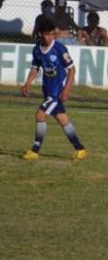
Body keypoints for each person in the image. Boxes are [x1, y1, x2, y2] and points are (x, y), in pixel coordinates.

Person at [21, 17, 88, 161]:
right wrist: (27, 83)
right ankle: (80, 149)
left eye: (52, 34)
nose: (50, 37)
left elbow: (72, 69)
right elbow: (35, 68)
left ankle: (35, 150)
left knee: (40, 115)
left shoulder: (59, 48)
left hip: (56, 91)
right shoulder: (37, 49)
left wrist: (66, 90)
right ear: (39, 34)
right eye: (47, 34)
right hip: (47, 90)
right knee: (62, 119)